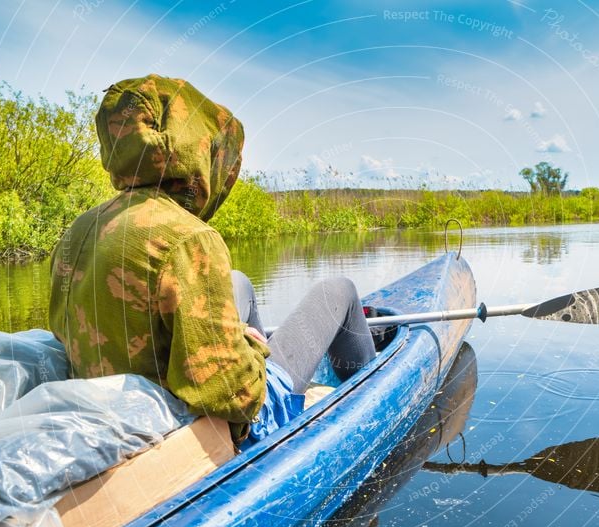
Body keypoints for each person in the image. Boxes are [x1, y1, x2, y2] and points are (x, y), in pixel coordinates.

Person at [48, 74, 375, 444]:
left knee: (239, 281)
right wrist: (252, 347)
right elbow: (234, 399)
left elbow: (63, 332)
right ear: (193, 151)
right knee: (340, 290)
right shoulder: (189, 238)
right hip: (209, 422)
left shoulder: (79, 229)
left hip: (117, 409)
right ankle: (374, 400)